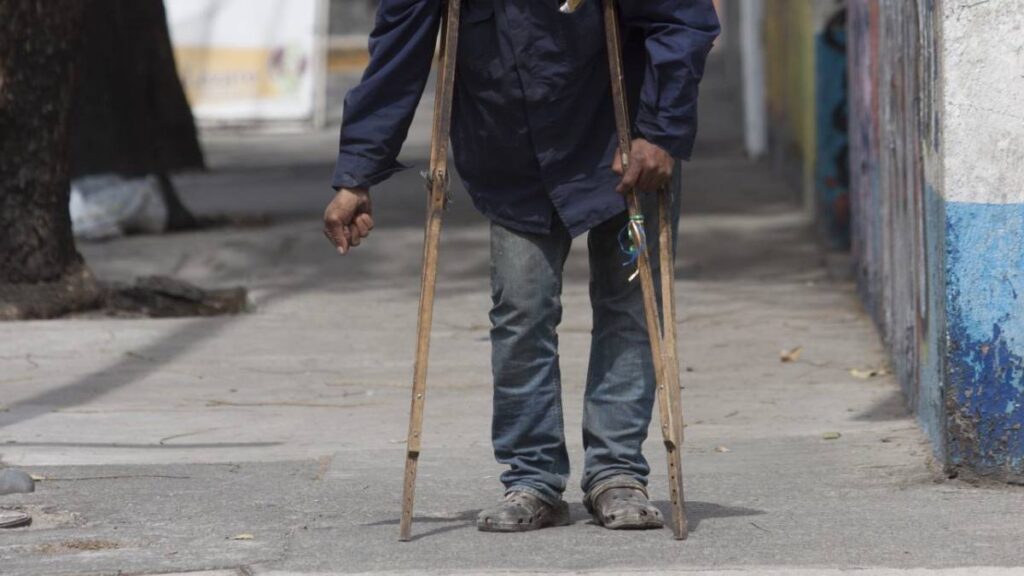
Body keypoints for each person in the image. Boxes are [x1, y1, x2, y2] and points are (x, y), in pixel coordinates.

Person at [323, 0, 719, 532]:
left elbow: (682, 18)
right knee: (521, 311)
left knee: (631, 304)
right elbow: (399, 49)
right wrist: (356, 175)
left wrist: (660, 132)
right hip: (511, 151)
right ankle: (533, 479)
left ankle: (618, 473)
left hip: (622, 137)